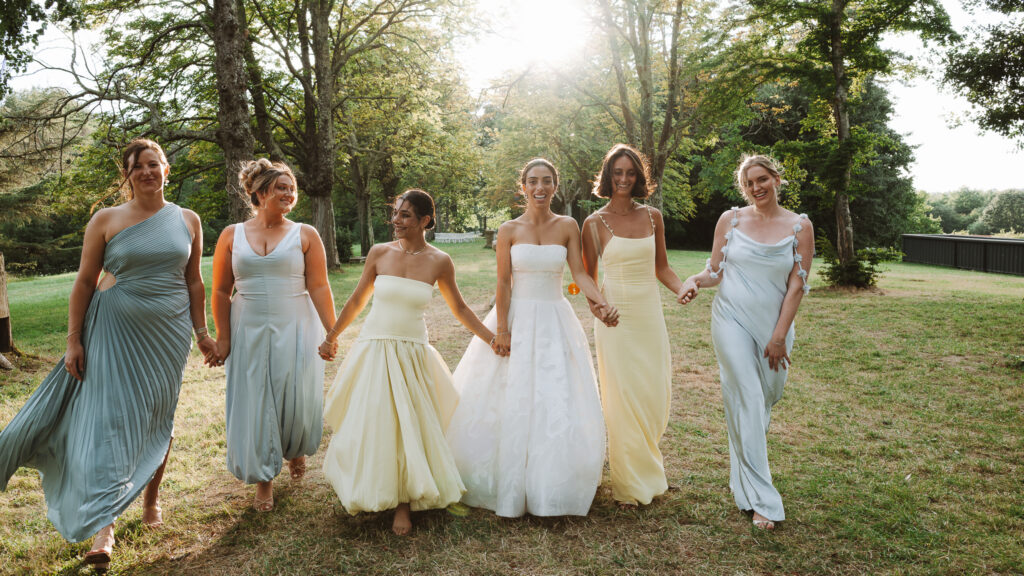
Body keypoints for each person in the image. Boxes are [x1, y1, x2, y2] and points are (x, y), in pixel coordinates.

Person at [0, 138, 216, 570]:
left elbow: (194, 281)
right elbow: (83, 282)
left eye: (154, 164)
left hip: (168, 336)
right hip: (113, 332)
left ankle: (151, 501)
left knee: (159, 416)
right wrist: (73, 340)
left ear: (166, 169)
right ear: (128, 175)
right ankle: (105, 525)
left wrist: (203, 332)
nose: (147, 172)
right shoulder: (106, 219)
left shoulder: (188, 220)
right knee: (111, 420)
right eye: (138, 167)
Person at [318, 189, 496, 536]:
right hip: (375, 346)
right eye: (396, 213)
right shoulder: (379, 253)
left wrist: (490, 338)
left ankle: (404, 504)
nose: (396, 221)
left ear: (425, 221)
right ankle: (370, 484)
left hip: (413, 349)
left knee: (409, 423)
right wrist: (332, 335)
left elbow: (458, 307)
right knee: (376, 420)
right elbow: (357, 299)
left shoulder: (439, 261)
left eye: (405, 215)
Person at [446, 158, 617, 518]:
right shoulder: (508, 230)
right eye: (533, 181)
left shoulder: (568, 226)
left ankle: (551, 481)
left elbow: (580, 274)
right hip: (517, 319)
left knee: (554, 395)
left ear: (556, 186)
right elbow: (504, 282)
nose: (540, 188)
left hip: (555, 317)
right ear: (522, 186)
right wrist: (502, 330)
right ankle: (503, 478)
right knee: (508, 394)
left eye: (547, 181)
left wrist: (601, 302)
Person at [678, 154, 813, 530]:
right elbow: (715, 271)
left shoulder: (800, 226)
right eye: (749, 182)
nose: (756, 187)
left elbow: (797, 284)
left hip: (774, 328)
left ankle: (743, 483)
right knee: (750, 398)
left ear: (777, 179)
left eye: (762, 179)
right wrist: (693, 281)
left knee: (760, 401)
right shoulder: (731, 220)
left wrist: (779, 336)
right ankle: (763, 501)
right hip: (731, 320)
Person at [209, 159, 336, 512]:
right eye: (281, 187)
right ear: (260, 192)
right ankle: (264, 480)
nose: (290, 193)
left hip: (296, 321)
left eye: (292, 188)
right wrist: (223, 338)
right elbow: (220, 291)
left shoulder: (305, 234)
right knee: (255, 398)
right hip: (247, 323)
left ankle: (294, 450)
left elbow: (320, 286)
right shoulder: (231, 235)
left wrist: (332, 331)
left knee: (293, 391)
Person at [581, 144, 688, 509]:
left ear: (639, 177)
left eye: (630, 173)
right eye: (617, 173)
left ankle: (650, 468)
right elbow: (586, 278)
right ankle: (629, 485)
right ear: (608, 177)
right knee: (623, 398)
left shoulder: (653, 216)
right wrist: (600, 308)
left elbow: (662, 268)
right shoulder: (594, 223)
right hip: (616, 320)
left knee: (652, 393)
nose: (624, 179)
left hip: (649, 316)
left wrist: (681, 288)